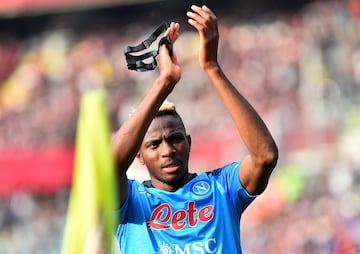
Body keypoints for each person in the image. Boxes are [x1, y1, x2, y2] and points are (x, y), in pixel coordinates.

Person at [112, 4, 278, 254]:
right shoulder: (132, 202)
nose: (167, 150)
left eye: (176, 139)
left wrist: (212, 68)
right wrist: (164, 83)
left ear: (189, 142)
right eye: (154, 144)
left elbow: (265, 156)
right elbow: (108, 167)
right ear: (139, 155)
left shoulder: (221, 188)